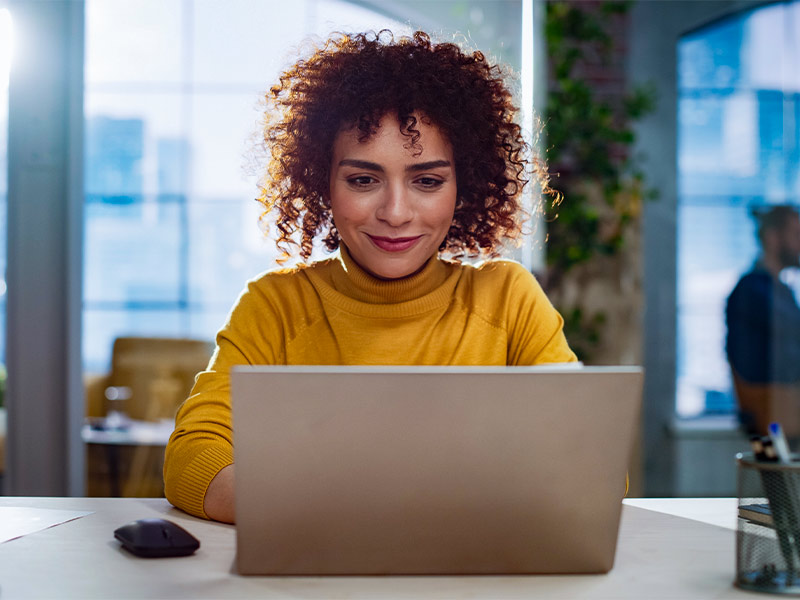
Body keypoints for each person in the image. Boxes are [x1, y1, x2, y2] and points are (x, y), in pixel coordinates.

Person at [163, 30, 577, 523]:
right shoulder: (275, 306)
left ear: (464, 186)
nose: (396, 213)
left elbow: (588, 467)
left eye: (427, 181)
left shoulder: (508, 298)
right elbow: (193, 459)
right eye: (363, 180)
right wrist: (356, 511)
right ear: (323, 183)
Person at [725, 205, 800, 430]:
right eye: (796, 235)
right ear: (772, 237)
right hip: (774, 406)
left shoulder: (782, 291)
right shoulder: (752, 290)